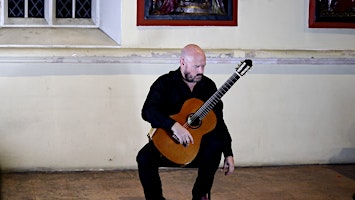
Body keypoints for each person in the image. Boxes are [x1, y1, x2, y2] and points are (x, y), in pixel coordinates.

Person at [136, 44, 235, 200]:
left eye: (203, 66)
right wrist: (174, 126)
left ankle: (200, 195)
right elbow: (148, 111)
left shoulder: (208, 86)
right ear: (182, 62)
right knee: (144, 158)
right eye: (196, 66)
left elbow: (219, 122)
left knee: (215, 146)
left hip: (198, 148)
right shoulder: (165, 83)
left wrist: (228, 153)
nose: (201, 71)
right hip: (170, 144)